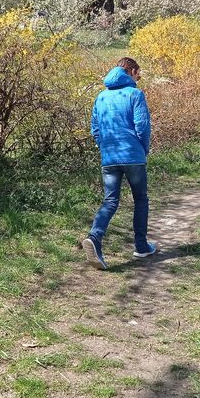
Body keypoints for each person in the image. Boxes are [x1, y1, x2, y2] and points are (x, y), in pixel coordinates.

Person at [82, 57, 156, 270]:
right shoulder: (135, 94)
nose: (139, 77)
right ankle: (141, 246)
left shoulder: (101, 96)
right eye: (138, 73)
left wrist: (104, 147)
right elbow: (142, 126)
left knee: (110, 201)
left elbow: (95, 128)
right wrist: (143, 149)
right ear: (131, 71)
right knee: (140, 199)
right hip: (133, 156)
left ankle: (94, 237)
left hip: (109, 157)